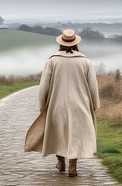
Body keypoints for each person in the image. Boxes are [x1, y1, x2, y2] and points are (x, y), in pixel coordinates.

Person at [26, 29, 100, 177]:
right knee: (75, 135)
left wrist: (42, 104)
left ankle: (60, 162)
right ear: (76, 44)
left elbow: (44, 86)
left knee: (57, 134)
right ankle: (72, 166)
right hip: (80, 105)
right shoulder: (85, 61)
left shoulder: (52, 61)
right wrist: (95, 104)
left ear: (60, 43)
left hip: (56, 105)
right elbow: (93, 85)